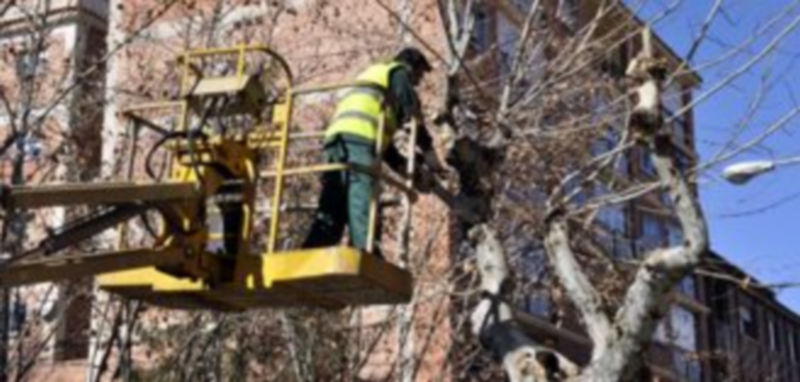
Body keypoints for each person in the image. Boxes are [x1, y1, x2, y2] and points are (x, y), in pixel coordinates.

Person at [302, 47, 437, 256]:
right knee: (363, 197)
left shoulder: (377, 85)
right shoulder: (398, 73)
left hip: (337, 140)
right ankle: (367, 253)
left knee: (333, 203)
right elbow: (411, 115)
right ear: (410, 66)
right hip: (358, 139)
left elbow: (386, 150)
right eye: (419, 74)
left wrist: (409, 171)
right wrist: (430, 154)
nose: (418, 82)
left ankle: (311, 253)